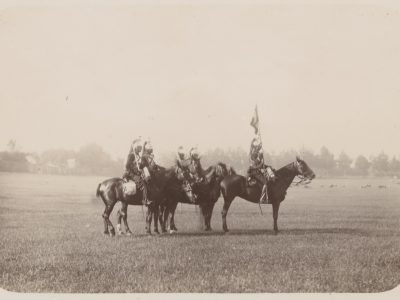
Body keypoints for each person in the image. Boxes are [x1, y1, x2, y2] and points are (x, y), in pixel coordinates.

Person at [247, 135, 276, 204]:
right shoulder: (252, 156)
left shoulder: (255, 153)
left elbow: (256, 149)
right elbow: (256, 166)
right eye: (256, 149)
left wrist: (268, 167)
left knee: (269, 169)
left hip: (257, 171)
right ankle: (262, 199)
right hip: (254, 172)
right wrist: (261, 163)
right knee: (265, 183)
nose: (257, 151)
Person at [122, 137, 150, 205]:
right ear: (136, 148)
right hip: (130, 174)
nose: (140, 149)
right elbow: (127, 166)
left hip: (135, 173)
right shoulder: (131, 155)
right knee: (142, 184)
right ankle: (145, 200)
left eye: (140, 147)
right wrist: (136, 170)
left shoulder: (137, 155)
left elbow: (139, 165)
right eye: (139, 147)